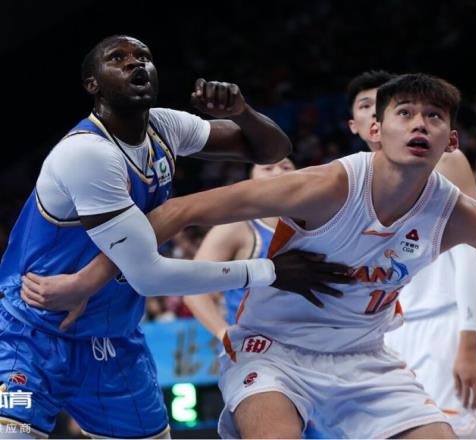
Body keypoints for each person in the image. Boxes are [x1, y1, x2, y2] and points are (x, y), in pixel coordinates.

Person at [25, 73, 476, 438]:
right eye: (406, 113)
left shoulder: (457, 214)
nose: (420, 124)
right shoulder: (326, 187)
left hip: (366, 356)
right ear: (375, 129)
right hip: (273, 351)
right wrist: (87, 281)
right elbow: (177, 211)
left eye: (434, 117)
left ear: (451, 140)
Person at [0, 35, 348, 439]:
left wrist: (242, 112)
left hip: (113, 339)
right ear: (93, 84)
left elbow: (271, 150)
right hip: (31, 332)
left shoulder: (165, 126)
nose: (135, 63)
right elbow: (148, 275)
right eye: (118, 58)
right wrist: (268, 270)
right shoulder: (87, 154)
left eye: (143, 56)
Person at [347, 70, 476, 438]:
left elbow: (468, 250)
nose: (372, 112)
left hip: (447, 324)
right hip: (388, 337)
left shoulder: (445, 161)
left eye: (380, 104)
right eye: (365, 106)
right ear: (360, 125)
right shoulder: (351, 178)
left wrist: (468, 339)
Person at [183, 158, 297, 340]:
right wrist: (223, 333)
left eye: (286, 166)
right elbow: (193, 290)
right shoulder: (236, 227)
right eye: (267, 168)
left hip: (312, 345)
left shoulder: (319, 223)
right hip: (257, 349)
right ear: (251, 181)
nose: (278, 172)